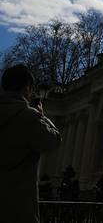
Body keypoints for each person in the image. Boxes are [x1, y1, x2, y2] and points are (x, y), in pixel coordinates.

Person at [0, 64, 61, 223]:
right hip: (17, 207)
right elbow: (54, 140)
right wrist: (42, 116)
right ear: (27, 86)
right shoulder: (29, 117)